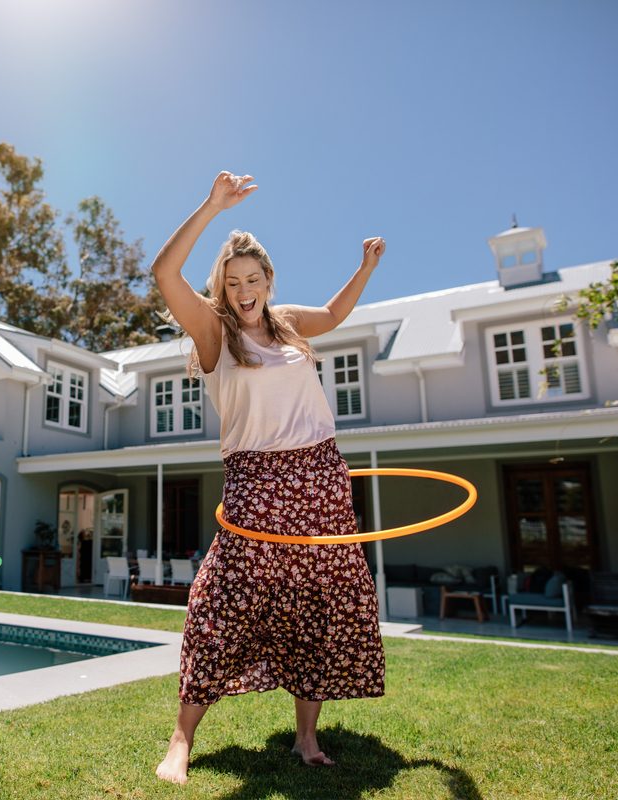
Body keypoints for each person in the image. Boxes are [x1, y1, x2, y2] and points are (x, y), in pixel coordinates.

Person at [151, 172, 387, 784]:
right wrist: (210, 206)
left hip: (320, 474)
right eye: (233, 282)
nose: (245, 290)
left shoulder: (285, 325)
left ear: (268, 281)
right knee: (223, 600)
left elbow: (334, 314)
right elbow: (164, 274)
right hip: (257, 478)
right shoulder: (213, 332)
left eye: (253, 279)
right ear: (222, 289)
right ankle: (181, 738)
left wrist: (365, 265)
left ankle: (306, 738)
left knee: (320, 603)